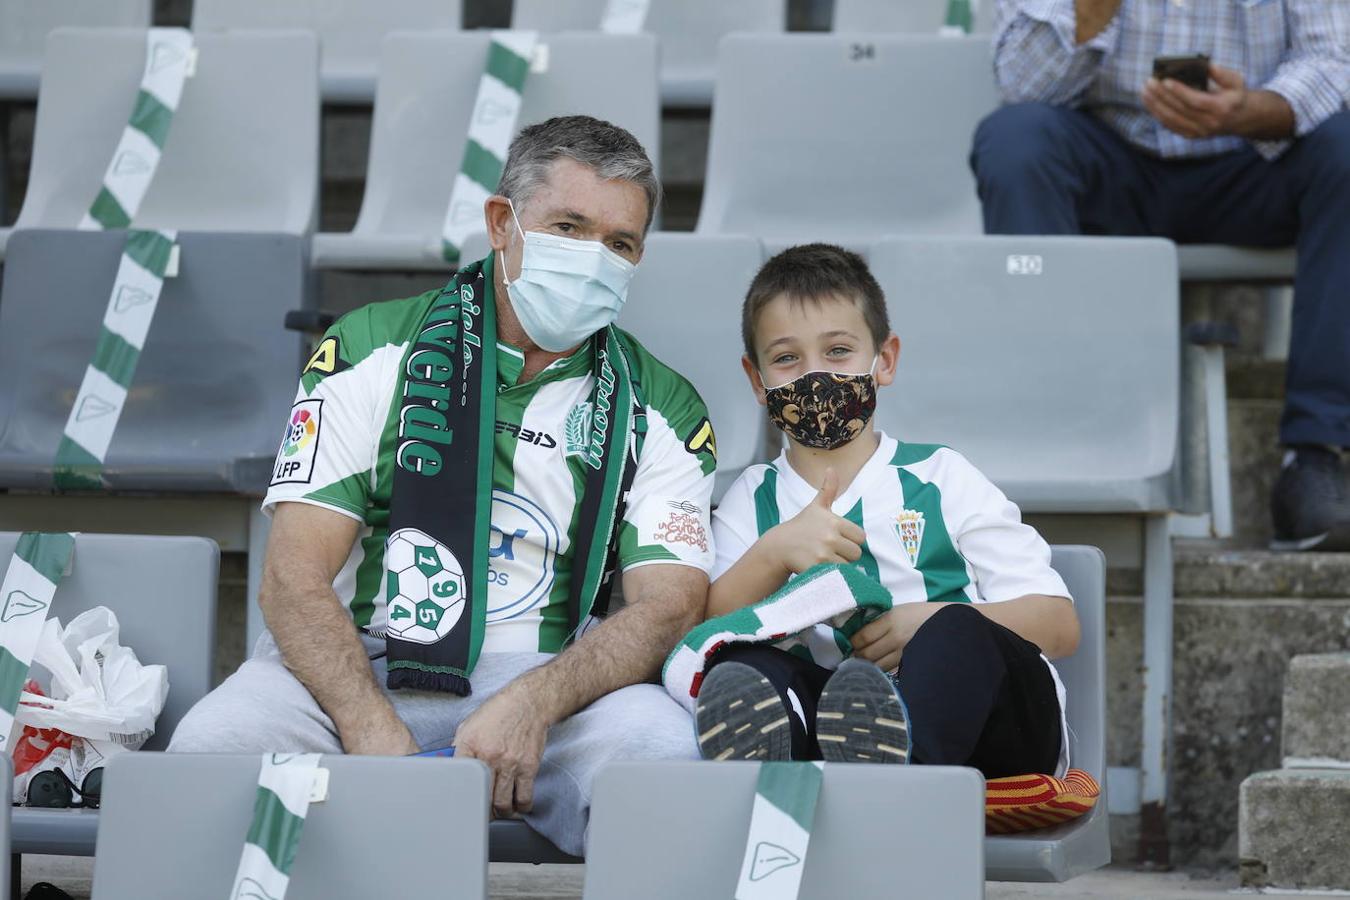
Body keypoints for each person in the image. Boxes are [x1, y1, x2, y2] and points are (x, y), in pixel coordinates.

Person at [169, 116, 720, 856]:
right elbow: (291, 579)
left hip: (552, 686)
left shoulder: (664, 405)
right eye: (568, 226)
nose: (594, 260)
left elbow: (670, 607)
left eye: (619, 244)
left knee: (664, 760)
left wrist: (535, 700)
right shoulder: (370, 346)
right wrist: (371, 733)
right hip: (361, 666)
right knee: (213, 747)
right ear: (503, 223)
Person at [970, 0, 1350, 551]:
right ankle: (1049, 439)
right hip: (1110, 158)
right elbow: (1023, 87)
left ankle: (1314, 457)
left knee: (1346, 149)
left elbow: (1334, 59)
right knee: (1014, 142)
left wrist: (1249, 110)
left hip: (1256, 159)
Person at [693, 243, 1080, 778]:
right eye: (786, 358)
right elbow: (705, 633)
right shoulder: (752, 500)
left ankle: (892, 777)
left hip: (998, 738)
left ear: (885, 361)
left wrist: (926, 622)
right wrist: (774, 553)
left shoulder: (943, 478)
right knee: (746, 663)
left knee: (955, 630)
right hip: (837, 717)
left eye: (838, 352)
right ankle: (797, 754)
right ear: (757, 381)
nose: (815, 376)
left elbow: (1058, 624)